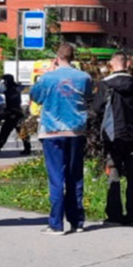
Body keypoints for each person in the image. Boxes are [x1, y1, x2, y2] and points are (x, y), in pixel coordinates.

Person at [29, 44, 93, 236]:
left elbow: (35, 97)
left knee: (56, 177)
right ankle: (77, 222)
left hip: (52, 131)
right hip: (76, 131)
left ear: (56, 58)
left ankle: (56, 224)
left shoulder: (47, 78)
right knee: (75, 176)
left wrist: (45, 76)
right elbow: (88, 97)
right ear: (72, 58)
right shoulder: (84, 77)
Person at [93, 52, 133, 225]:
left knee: (114, 174)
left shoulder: (105, 84)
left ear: (111, 65)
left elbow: (96, 108)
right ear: (128, 63)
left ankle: (114, 215)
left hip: (113, 136)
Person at [0, 74, 32, 155]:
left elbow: (12, 104)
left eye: (4, 81)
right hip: (15, 113)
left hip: (13, 113)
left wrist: (5, 114)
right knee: (9, 131)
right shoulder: (14, 89)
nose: (4, 83)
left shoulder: (11, 91)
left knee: (12, 131)